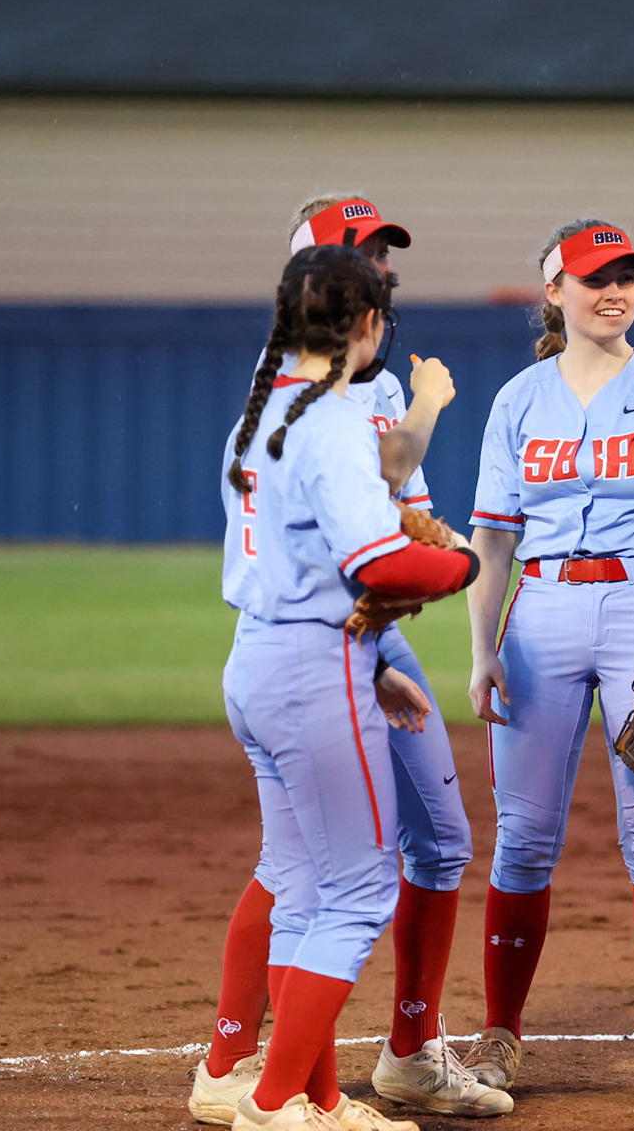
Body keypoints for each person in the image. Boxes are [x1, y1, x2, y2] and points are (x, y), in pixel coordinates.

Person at [192, 197, 507, 1125]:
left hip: (280, 653)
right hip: (320, 653)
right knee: (360, 888)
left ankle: (308, 1096)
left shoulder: (271, 404)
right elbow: (376, 560)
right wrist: (462, 565)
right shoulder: (329, 418)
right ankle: (277, 1095)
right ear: (358, 317)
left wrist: (374, 661)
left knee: (306, 878)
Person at [459, 219, 634, 1101]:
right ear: (555, 292)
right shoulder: (517, 401)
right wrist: (480, 651)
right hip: (538, 613)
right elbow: (492, 543)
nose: (614, 291)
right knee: (523, 839)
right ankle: (500, 1036)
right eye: (594, 278)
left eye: (626, 277)